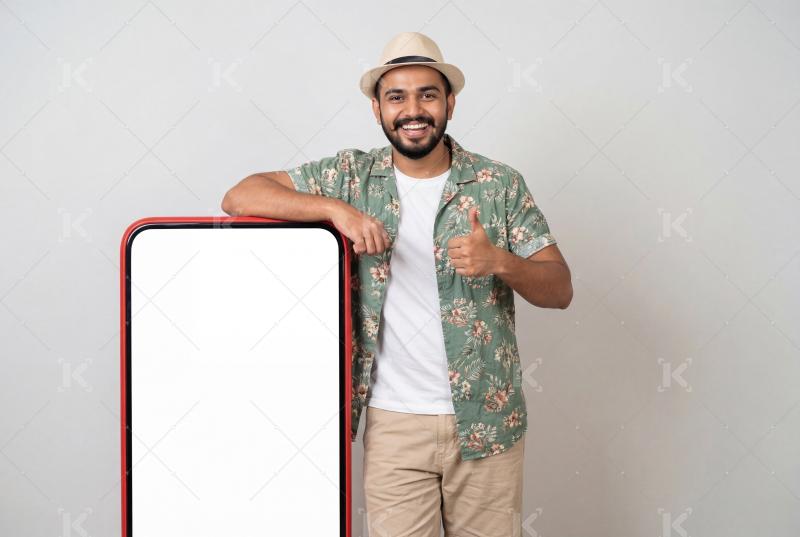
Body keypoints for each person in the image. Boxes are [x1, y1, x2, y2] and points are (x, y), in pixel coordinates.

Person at [222, 31, 572, 537]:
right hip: (393, 424)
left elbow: (560, 289)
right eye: (397, 96)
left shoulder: (498, 185)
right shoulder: (351, 178)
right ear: (377, 109)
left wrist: (499, 261)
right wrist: (334, 211)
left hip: (487, 421)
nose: (414, 109)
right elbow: (239, 195)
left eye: (428, 94)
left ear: (450, 102)